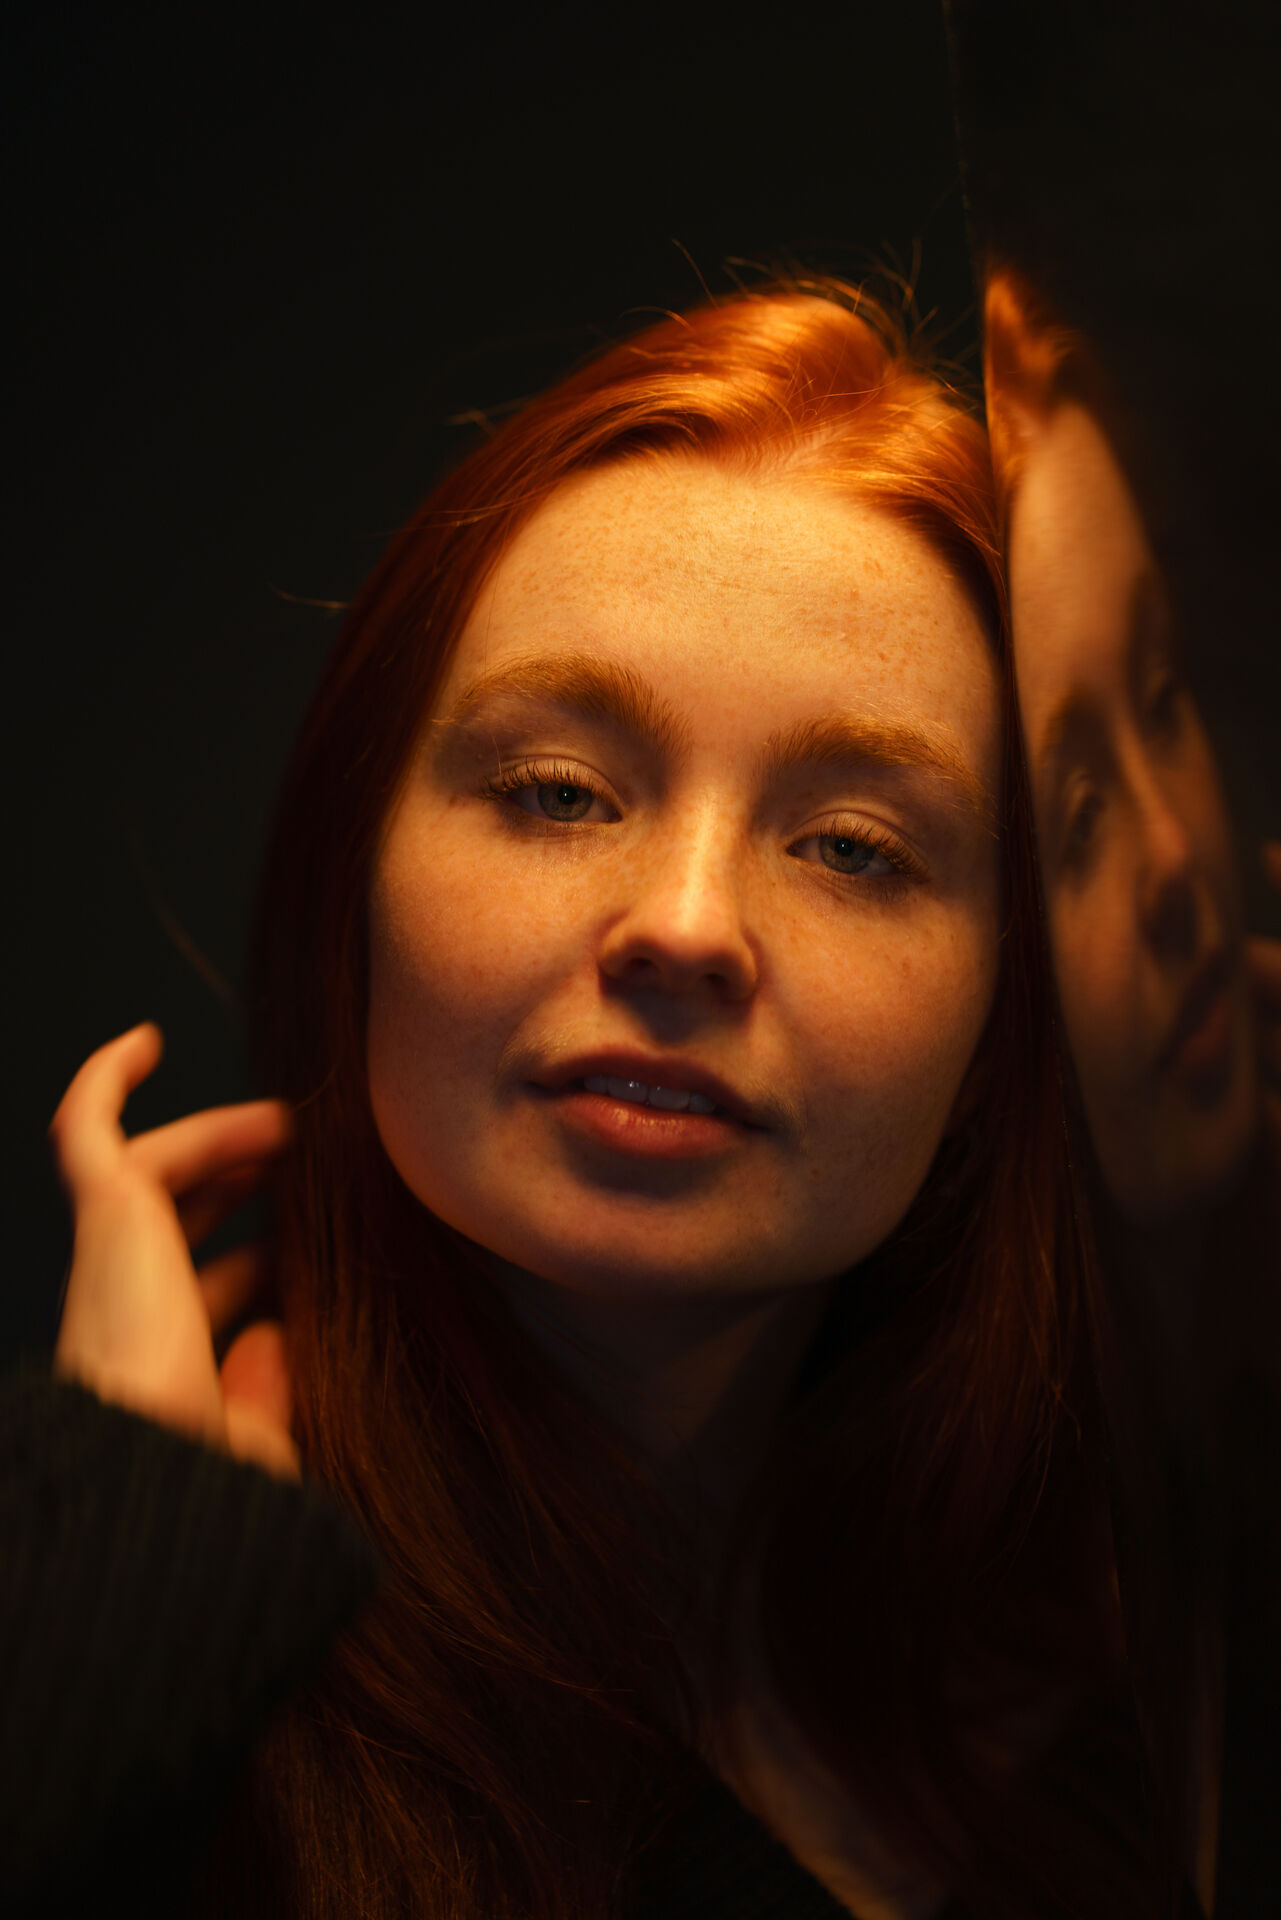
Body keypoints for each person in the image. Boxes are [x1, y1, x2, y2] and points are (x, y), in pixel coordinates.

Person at [16, 280, 1172, 1920]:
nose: (685, 926)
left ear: (1012, 1001)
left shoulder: (1144, 1732)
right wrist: (108, 1612)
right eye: (558, 795)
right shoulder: (95, 1638)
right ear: (357, 876)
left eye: (852, 847)